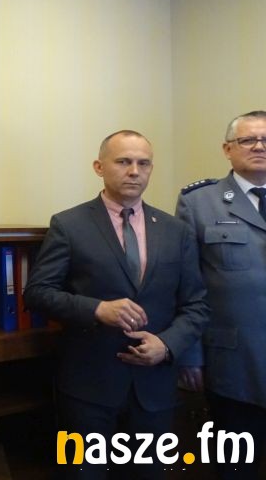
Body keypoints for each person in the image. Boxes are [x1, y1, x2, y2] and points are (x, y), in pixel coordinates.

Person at [23, 130, 208, 479]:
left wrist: (167, 344)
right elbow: (37, 293)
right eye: (123, 161)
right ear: (99, 167)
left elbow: (196, 304)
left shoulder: (176, 231)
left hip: (154, 389)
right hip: (89, 387)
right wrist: (97, 309)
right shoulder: (69, 224)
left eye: (143, 163)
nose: (134, 171)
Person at [175, 110, 266, 478]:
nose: (259, 146)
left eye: (265, 140)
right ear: (228, 149)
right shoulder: (198, 202)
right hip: (233, 364)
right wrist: (189, 355)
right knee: (236, 469)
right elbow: (186, 285)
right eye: (248, 140)